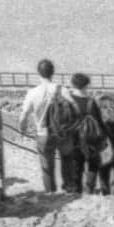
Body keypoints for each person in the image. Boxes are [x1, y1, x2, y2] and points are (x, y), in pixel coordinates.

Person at [19, 59, 69, 193]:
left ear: (39, 73)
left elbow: (24, 115)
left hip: (43, 134)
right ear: (53, 72)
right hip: (62, 134)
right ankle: (68, 190)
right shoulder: (62, 90)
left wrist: (22, 129)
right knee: (66, 161)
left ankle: (50, 193)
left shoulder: (32, 92)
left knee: (46, 166)